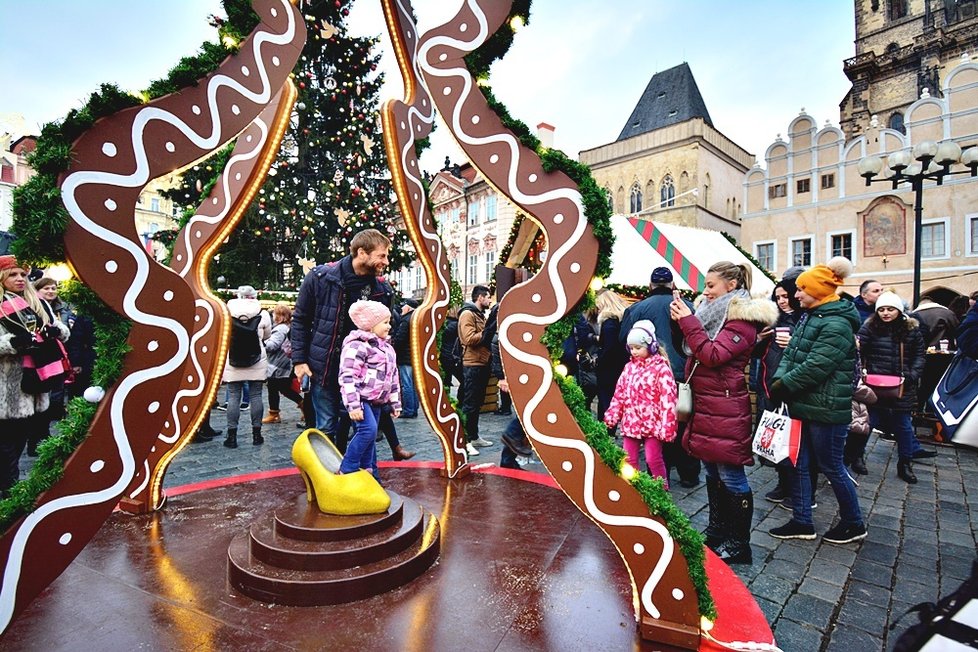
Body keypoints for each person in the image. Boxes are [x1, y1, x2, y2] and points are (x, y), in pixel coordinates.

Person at [670, 261, 778, 564]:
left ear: (731, 285)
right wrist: (681, 320)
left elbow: (713, 355)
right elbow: (690, 349)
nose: (707, 292)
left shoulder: (742, 318)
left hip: (725, 405)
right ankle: (717, 531)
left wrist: (689, 321)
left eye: (712, 286)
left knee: (731, 474)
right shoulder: (710, 312)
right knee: (712, 471)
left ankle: (739, 543)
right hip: (708, 403)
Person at [768, 257, 868, 545]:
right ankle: (802, 521)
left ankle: (853, 522)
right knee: (800, 463)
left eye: (802, 289)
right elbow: (791, 355)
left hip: (825, 408)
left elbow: (816, 365)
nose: (796, 295)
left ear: (819, 291)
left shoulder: (836, 323)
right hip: (804, 404)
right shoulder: (812, 316)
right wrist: (781, 380)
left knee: (832, 466)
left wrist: (783, 385)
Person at [292, 229, 394, 451]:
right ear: (362, 253)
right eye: (381, 255)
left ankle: (353, 472)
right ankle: (327, 477)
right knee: (326, 426)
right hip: (324, 367)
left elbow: (385, 335)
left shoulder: (382, 290)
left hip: (361, 374)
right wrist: (299, 361)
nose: (385, 261)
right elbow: (300, 320)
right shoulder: (320, 278)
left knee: (363, 428)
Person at [623, 266, 700, 488]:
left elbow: (624, 342)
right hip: (683, 375)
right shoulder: (687, 307)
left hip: (651, 379)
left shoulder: (637, 309)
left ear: (650, 285)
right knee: (685, 423)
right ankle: (689, 473)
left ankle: (658, 475)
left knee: (655, 424)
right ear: (672, 285)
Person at [0, 256, 70, 496]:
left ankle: (10, 487)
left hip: (34, 382)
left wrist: (56, 331)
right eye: (13, 275)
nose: (20, 279)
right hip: (7, 385)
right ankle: (8, 490)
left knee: (20, 439)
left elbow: (62, 329)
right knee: (7, 443)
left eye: (22, 274)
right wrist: (13, 342)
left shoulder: (37, 301)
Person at [859, 291, 933, 483]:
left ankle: (905, 463)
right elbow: (859, 350)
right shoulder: (870, 328)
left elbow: (919, 356)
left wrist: (911, 376)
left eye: (890, 309)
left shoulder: (911, 330)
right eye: (881, 309)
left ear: (899, 310)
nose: (885, 313)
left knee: (904, 426)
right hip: (875, 385)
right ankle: (857, 456)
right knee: (868, 423)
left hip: (903, 386)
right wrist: (863, 372)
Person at [753, 272, 809, 503]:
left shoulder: (806, 319)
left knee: (795, 441)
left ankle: (799, 489)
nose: (782, 301)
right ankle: (782, 482)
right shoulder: (771, 319)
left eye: (786, 296)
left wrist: (794, 342)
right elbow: (755, 354)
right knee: (775, 436)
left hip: (795, 389)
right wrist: (758, 339)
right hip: (770, 386)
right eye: (778, 297)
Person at [603, 320, 678, 488]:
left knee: (653, 458)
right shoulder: (629, 368)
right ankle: (633, 490)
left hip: (653, 424)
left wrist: (667, 426)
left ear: (651, 346)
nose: (634, 352)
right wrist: (612, 415)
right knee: (628, 459)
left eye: (638, 347)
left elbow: (669, 400)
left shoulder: (661, 369)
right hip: (631, 422)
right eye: (631, 348)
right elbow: (619, 394)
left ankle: (661, 490)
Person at [338, 300, 401, 478]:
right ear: (371, 325)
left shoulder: (387, 348)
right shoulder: (357, 345)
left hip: (376, 402)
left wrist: (395, 403)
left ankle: (370, 472)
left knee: (370, 439)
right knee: (368, 431)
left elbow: (393, 377)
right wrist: (354, 405)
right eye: (385, 322)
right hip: (362, 399)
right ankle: (348, 466)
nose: (389, 326)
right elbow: (348, 376)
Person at [27, 277, 73, 456]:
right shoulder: (28, 303)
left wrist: (58, 331)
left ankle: (42, 439)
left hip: (51, 359)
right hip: (34, 359)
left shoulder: (53, 307)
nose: (51, 291)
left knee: (46, 401)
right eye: (47, 288)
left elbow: (62, 329)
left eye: (54, 288)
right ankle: (35, 441)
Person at [222, 285, 271, 447]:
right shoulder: (262, 314)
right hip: (256, 358)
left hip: (233, 358)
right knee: (256, 396)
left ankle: (232, 436)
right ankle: (257, 435)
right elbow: (267, 336)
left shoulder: (226, 314)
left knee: (234, 397)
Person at [457, 285, 494, 457]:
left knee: (477, 402)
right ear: (480, 297)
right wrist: (487, 331)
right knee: (470, 404)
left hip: (481, 362)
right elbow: (468, 338)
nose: (489, 300)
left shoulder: (478, 314)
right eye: (487, 297)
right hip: (472, 364)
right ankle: (464, 441)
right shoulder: (467, 314)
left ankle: (474, 436)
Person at [262, 303, 303, 425]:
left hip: (278, 364)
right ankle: (275, 413)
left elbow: (272, 346)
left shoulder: (280, 329)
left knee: (279, 388)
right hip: (282, 362)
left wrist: (263, 342)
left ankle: (275, 414)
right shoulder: (287, 327)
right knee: (277, 388)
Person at [593, 288, 629, 424]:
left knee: (606, 401)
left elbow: (608, 348)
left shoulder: (608, 324)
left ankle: (607, 429)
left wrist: (599, 361)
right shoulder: (622, 321)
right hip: (620, 366)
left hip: (608, 370)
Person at [392, 298, 420, 418]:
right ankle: (414, 409)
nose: (401, 309)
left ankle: (408, 410)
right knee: (413, 384)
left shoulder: (406, 320)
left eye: (403, 306)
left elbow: (400, 339)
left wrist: (393, 348)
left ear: (408, 307)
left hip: (405, 356)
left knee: (407, 384)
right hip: (413, 356)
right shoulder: (417, 319)